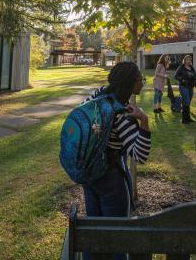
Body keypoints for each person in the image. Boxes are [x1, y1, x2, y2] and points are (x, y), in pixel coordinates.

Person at [82, 61, 150, 254]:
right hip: (110, 177)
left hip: (89, 171)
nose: (143, 83)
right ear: (131, 83)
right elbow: (140, 155)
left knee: (94, 232)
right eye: (140, 79)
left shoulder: (97, 95)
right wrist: (144, 120)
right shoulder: (122, 113)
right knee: (118, 235)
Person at [174, 55, 196, 124]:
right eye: (187, 59)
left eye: (190, 60)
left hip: (191, 87)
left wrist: (195, 83)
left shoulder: (192, 68)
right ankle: (184, 120)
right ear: (184, 60)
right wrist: (182, 80)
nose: (189, 61)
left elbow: (194, 76)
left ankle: (188, 118)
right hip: (183, 87)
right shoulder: (181, 67)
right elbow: (176, 76)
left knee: (188, 102)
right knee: (186, 101)